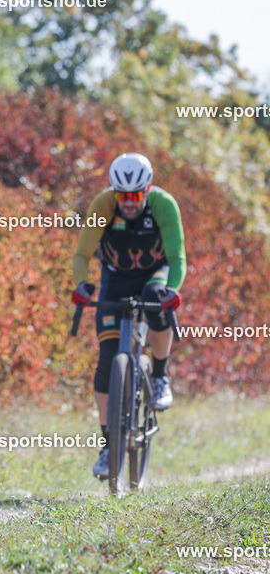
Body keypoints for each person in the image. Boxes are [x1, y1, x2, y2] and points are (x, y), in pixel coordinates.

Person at [72, 152, 186, 479]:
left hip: (155, 274)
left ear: (147, 189)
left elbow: (177, 257)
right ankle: (109, 447)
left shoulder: (164, 205)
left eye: (136, 195)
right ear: (114, 191)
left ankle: (160, 375)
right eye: (123, 195)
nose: (129, 203)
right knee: (108, 359)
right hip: (115, 280)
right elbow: (81, 254)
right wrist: (82, 285)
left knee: (156, 298)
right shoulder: (103, 205)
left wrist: (172, 288)